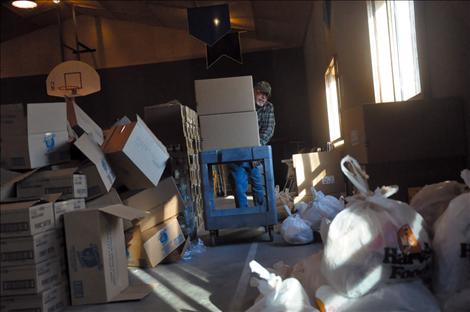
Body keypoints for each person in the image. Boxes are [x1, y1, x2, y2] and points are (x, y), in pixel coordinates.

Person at [230, 81, 276, 208]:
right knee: (239, 187)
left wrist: (256, 145)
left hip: (256, 151)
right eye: (260, 93)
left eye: (266, 96)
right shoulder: (241, 105)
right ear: (253, 92)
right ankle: (243, 216)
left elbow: (268, 129)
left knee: (259, 186)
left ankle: (261, 214)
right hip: (238, 152)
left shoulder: (268, 107)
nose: (263, 98)